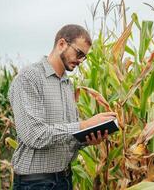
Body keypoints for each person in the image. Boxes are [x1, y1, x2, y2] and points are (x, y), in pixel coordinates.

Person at [8, 24, 116, 190]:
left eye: (84, 57)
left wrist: (88, 137)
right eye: (79, 53)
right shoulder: (29, 78)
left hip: (64, 179)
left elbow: (66, 136)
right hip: (36, 183)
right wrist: (84, 125)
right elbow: (34, 135)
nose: (80, 61)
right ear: (61, 44)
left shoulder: (67, 84)